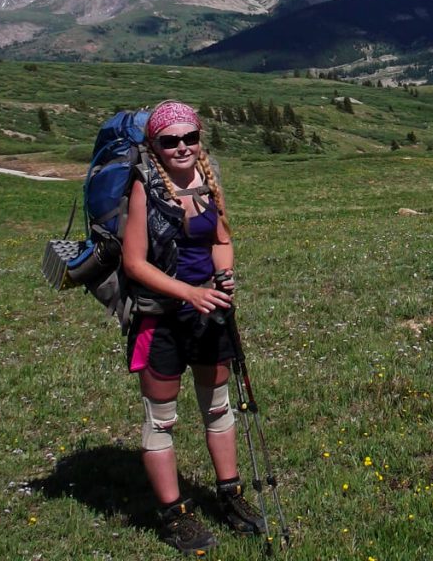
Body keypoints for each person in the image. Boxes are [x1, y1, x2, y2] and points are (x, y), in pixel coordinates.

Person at [122, 100, 266, 555]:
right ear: (156, 145)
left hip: (208, 310)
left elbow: (221, 239)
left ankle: (229, 495)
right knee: (160, 420)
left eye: (190, 137)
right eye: (170, 140)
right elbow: (133, 263)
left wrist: (223, 277)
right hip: (159, 317)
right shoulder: (145, 188)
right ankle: (174, 515)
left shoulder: (209, 177)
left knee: (219, 408)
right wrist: (190, 293)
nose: (182, 147)